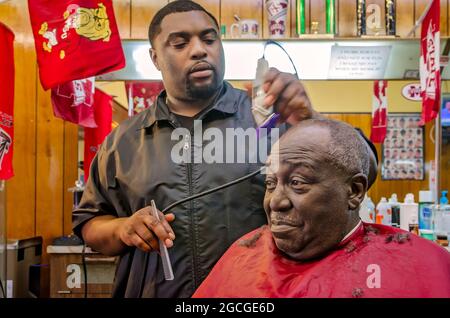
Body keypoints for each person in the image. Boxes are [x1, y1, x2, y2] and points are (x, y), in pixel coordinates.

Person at [72, 1, 377, 298]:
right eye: (180, 43)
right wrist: (124, 229)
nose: (199, 50)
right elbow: (89, 222)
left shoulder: (273, 122)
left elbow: (363, 169)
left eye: (209, 38)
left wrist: (311, 120)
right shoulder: (123, 141)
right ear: (155, 58)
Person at [193, 119, 450, 298]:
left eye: (297, 183)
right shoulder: (243, 256)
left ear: (354, 191)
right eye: (271, 183)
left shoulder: (419, 267)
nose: (275, 202)